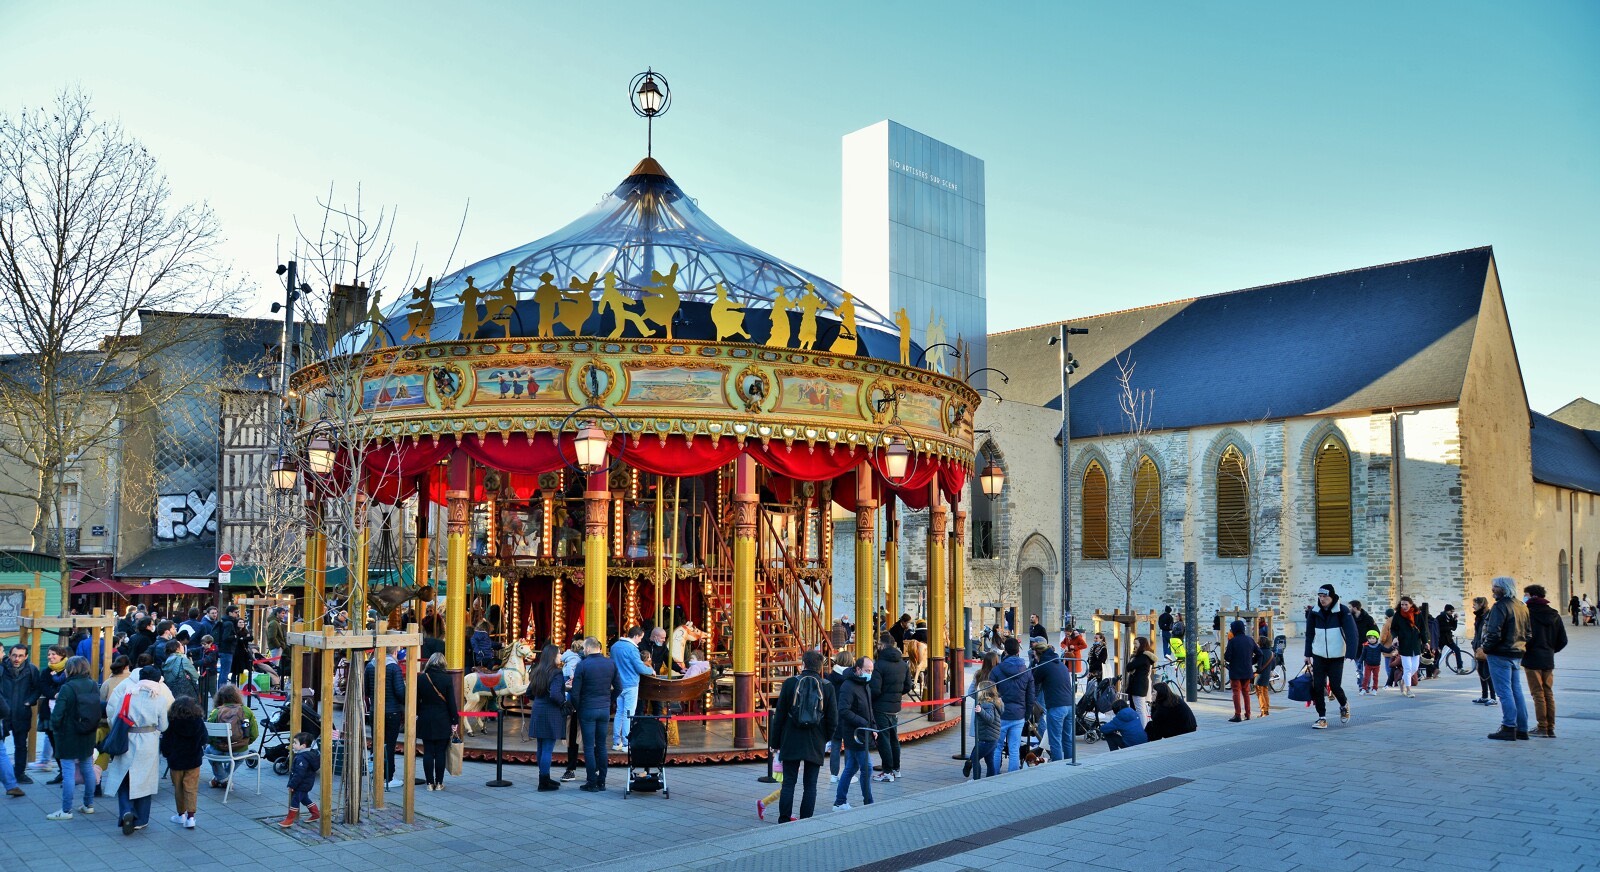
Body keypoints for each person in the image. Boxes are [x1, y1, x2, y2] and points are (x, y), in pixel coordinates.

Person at [103, 665, 172, 835]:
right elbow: (163, 726)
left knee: (124, 778)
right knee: (145, 780)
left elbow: (116, 716)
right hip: (148, 741)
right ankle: (141, 819)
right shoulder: (160, 699)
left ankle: (126, 810)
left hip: (127, 739)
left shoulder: (128, 693)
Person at [770, 649, 836, 822]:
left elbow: (780, 716)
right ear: (820, 667)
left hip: (791, 738)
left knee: (789, 782)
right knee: (810, 785)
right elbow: (833, 719)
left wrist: (775, 742)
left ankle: (784, 818)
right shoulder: (827, 687)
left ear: (803, 665)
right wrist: (825, 738)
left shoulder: (790, 683)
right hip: (815, 740)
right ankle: (806, 820)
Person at [45, 656, 98, 820]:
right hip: (88, 732)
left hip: (68, 735)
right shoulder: (93, 684)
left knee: (68, 772)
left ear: (70, 669)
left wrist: (55, 728)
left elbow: (57, 714)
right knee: (87, 768)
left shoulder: (67, 688)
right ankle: (88, 805)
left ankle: (66, 810)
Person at [1303, 583, 1358, 729]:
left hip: (1337, 655)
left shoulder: (1342, 611)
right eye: (1320, 596)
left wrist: (1351, 653)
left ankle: (1343, 704)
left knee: (1335, 686)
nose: (1322, 599)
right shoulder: (1314, 612)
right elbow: (1309, 634)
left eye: (1325, 596)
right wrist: (1307, 654)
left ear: (1331, 597)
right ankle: (1322, 718)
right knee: (1318, 686)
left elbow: (1352, 632)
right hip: (1319, 654)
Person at [1482, 577, 1531, 741]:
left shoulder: (1500, 606)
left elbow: (1494, 632)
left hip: (1500, 653)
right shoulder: (1522, 606)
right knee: (1516, 690)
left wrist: (1486, 648)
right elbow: (1528, 633)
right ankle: (1522, 728)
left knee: (1504, 692)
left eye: (1495, 587)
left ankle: (1509, 726)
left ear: (1503, 588)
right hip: (1516, 653)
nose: (1492, 590)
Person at [568, 636, 619, 792]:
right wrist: (609, 701)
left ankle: (591, 781)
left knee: (589, 746)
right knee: (602, 745)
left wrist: (578, 706)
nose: (583, 650)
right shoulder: (610, 664)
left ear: (588, 648)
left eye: (584, 648)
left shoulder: (582, 665)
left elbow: (575, 692)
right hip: (603, 708)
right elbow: (619, 687)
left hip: (587, 708)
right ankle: (602, 781)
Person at [1522, 584, 1567, 738]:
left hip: (1531, 658)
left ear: (1532, 596)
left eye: (1526, 594)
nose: (1524, 597)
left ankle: (1542, 727)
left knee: (1537, 694)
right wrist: (1550, 650)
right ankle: (1550, 728)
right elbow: (1563, 640)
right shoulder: (1554, 614)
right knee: (1548, 693)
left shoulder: (1527, 613)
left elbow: (1522, 637)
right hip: (1548, 658)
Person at [832, 656, 875, 812]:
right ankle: (868, 801)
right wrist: (863, 723)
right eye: (867, 670)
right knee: (867, 767)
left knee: (851, 767)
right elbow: (843, 710)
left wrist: (873, 725)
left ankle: (839, 801)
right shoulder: (848, 686)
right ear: (858, 669)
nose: (869, 673)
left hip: (864, 732)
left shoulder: (865, 684)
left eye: (871, 671)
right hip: (854, 734)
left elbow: (869, 708)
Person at [158, 694, 205, 829]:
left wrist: (167, 754)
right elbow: (204, 739)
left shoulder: (172, 722)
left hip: (176, 760)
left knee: (178, 787)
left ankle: (181, 814)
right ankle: (191, 817)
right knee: (191, 788)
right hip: (193, 759)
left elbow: (166, 742)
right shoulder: (198, 721)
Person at [988, 637, 1034, 773]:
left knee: (997, 747)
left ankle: (994, 774)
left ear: (1005, 651)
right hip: (1019, 715)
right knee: (1014, 748)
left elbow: (990, 693)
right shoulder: (1026, 670)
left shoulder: (997, 670)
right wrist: (1027, 714)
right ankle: (1012, 776)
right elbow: (1030, 696)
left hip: (1000, 715)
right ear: (1018, 651)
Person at [363, 647, 406, 789]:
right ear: (394, 652)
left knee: (376, 743)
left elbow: (367, 690)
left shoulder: (370, 665)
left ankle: (376, 772)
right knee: (390, 744)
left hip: (375, 710)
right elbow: (400, 691)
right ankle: (388, 776)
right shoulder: (394, 667)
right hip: (392, 710)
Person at [869, 633, 909, 782]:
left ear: (883, 645)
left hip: (881, 707)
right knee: (894, 738)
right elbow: (908, 686)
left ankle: (887, 771)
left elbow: (875, 689)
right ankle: (896, 769)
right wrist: (896, 695)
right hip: (895, 706)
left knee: (883, 739)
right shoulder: (903, 664)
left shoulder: (879, 665)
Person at [525, 644, 567, 790]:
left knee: (541, 746)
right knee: (548, 747)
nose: (560, 656)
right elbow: (555, 694)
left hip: (538, 709)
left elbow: (528, 692)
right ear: (553, 656)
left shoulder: (537, 671)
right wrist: (563, 701)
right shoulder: (556, 673)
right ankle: (544, 781)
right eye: (559, 653)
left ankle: (544, 776)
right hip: (551, 711)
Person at [414, 653, 458, 791]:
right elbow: (451, 701)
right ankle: (439, 783)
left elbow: (417, 700)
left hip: (425, 717)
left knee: (427, 751)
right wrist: (454, 720)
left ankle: (429, 784)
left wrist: (417, 713)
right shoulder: (446, 679)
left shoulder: (421, 678)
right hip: (442, 718)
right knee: (440, 752)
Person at [2, 644, 42, 786]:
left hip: (21, 712)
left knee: (20, 745)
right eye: (14, 655)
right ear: (9, 654)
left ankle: (19, 773)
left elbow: (37, 689)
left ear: (26, 656)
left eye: (20, 656)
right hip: (4, 713)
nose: (16, 658)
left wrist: (29, 702)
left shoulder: (31, 670)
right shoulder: (2, 669)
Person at [204, 685, 258, 788]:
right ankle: (224, 779)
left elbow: (209, 737)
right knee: (242, 755)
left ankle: (221, 778)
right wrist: (244, 743)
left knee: (208, 751)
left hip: (218, 750)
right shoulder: (247, 711)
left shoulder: (215, 712)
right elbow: (254, 734)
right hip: (239, 750)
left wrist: (217, 744)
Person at [609, 626, 653, 752]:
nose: (640, 641)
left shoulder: (615, 646)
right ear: (635, 636)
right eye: (640, 638)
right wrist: (651, 670)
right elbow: (640, 668)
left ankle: (616, 741)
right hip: (630, 685)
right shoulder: (632, 649)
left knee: (619, 712)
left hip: (618, 684)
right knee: (629, 714)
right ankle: (626, 743)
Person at [1029, 638, 1072, 762]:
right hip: (1069, 705)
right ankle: (1069, 762)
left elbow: (1033, 683)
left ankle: (1057, 767)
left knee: (1055, 740)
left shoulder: (1043, 665)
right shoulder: (1059, 663)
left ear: (1039, 654)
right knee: (1067, 738)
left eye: (1035, 656)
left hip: (1056, 706)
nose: (1035, 658)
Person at [1383, 596, 1427, 697]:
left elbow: (1423, 629)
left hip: (1415, 644)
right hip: (1404, 644)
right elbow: (1393, 629)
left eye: (1406, 604)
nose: (1404, 606)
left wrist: (1426, 642)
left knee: (1414, 668)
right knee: (1407, 668)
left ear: (1411, 604)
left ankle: (1402, 681)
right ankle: (1408, 689)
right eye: (1402, 604)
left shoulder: (1417, 614)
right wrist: (1395, 637)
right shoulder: (1398, 615)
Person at [280, 732, 320, 828]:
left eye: (295, 743)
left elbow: (299, 774)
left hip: (302, 784)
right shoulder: (306, 755)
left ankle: (289, 819)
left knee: (295, 800)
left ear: (303, 746)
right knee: (304, 799)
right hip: (306, 783)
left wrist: (292, 785)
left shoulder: (302, 758)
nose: (293, 744)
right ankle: (315, 814)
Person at [1224, 620, 1258, 722]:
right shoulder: (1250, 640)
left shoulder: (1232, 641)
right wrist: (1251, 662)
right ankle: (1248, 714)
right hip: (1247, 670)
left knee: (1236, 692)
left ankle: (1237, 715)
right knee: (1246, 692)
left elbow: (1227, 657)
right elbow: (1259, 653)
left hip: (1235, 671)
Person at [969, 680, 1001, 778]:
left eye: (978, 689)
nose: (977, 690)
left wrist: (980, 711)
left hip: (986, 740)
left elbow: (990, 719)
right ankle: (990, 779)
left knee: (975, 758)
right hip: (991, 738)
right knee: (989, 760)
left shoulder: (986, 704)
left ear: (984, 691)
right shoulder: (992, 702)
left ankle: (976, 780)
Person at [1468, 596, 1497, 705]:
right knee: (1481, 672)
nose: (1473, 606)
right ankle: (1484, 696)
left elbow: (1489, 632)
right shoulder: (1479, 617)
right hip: (1477, 647)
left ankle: (1493, 697)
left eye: (1475, 604)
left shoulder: (1488, 616)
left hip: (1485, 648)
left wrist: (1485, 645)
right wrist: (1474, 643)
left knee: (1487, 673)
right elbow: (1477, 632)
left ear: (1481, 604)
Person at [1123, 637, 1157, 724]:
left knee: (1140, 709)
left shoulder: (1142, 656)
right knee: (1138, 708)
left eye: (1136, 644)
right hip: (1139, 685)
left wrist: (1131, 661)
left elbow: (1129, 667)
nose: (1134, 646)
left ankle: (1143, 729)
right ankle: (1139, 728)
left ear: (1141, 645)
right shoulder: (1143, 656)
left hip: (1138, 686)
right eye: (1134, 643)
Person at [162, 638, 200, 702]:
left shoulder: (167, 661)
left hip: (171, 690)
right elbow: (195, 676)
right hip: (185, 690)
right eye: (181, 645)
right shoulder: (183, 659)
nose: (183, 647)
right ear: (177, 649)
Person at [1253, 635, 1276, 716]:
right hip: (1267, 675)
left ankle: (1263, 711)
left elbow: (1254, 662)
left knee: (1259, 692)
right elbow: (1273, 666)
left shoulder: (1260, 652)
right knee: (1265, 692)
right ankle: (1266, 709)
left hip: (1259, 675)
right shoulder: (1271, 653)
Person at [1356, 630, 1385, 695]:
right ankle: (1363, 689)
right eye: (1369, 638)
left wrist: (1393, 647)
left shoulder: (1379, 646)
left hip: (1376, 665)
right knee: (1366, 677)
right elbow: (1363, 655)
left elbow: (1387, 650)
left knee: (1375, 678)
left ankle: (1374, 689)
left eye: (1373, 638)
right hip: (1368, 665)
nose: (1371, 640)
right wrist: (1359, 662)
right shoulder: (1366, 646)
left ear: (1376, 638)